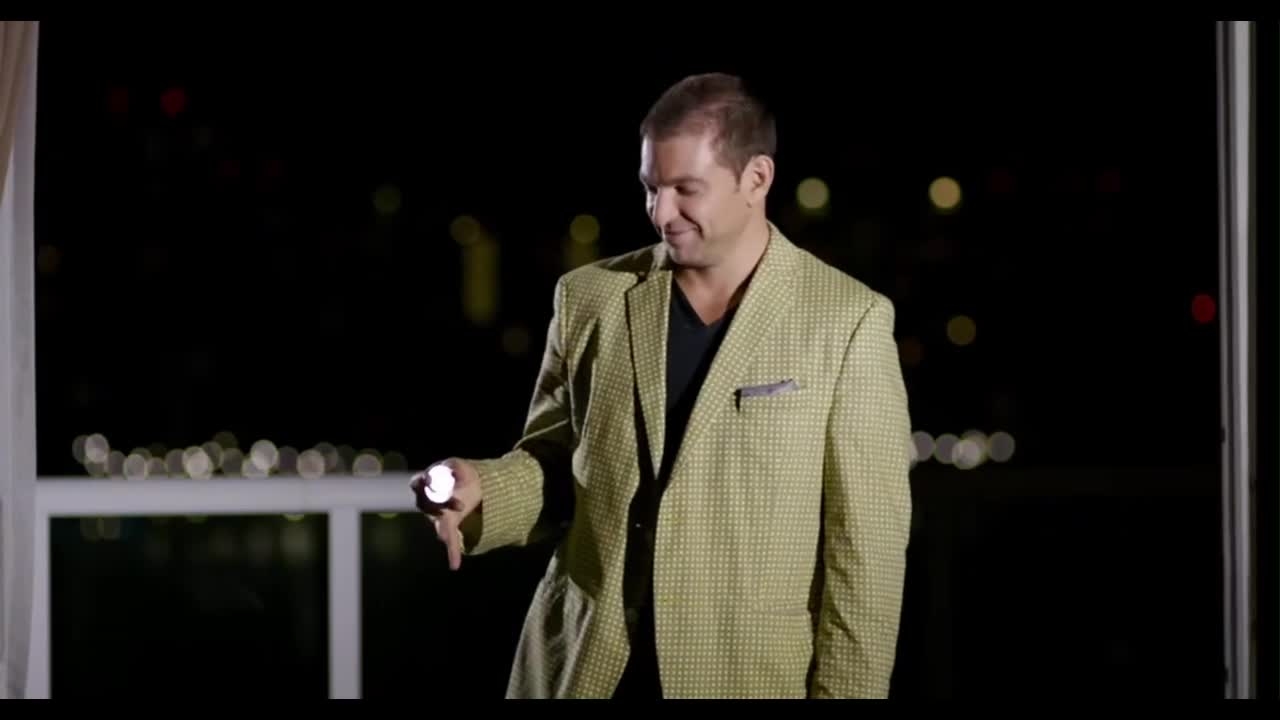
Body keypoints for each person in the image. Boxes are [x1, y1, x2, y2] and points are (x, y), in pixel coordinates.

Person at [411, 72, 913, 699]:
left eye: (685, 189)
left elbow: (865, 554)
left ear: (757, 178)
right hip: (583, 671)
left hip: (745, 679)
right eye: (651, 187)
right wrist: (481, 488)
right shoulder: (588, 298)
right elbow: (555, 466)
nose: (661, 212)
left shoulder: (848, 320)